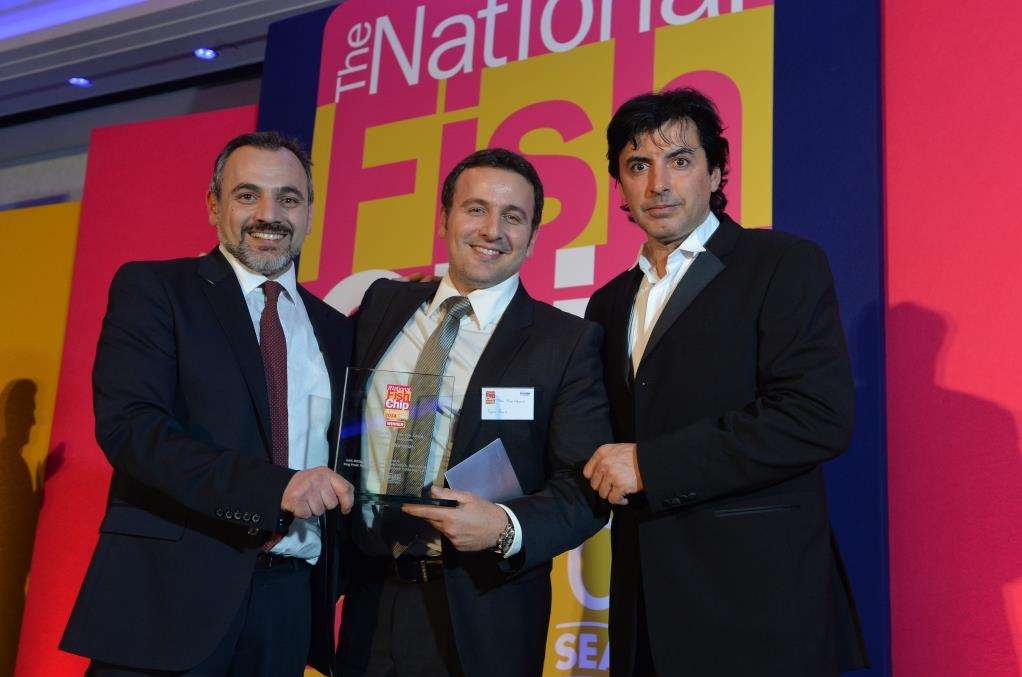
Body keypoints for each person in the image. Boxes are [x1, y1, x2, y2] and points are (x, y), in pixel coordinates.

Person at [582, 88, 870, 676]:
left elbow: (815, 417)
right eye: (639, 165)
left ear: (715, 173)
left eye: (680, 160)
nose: (658, 183)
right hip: (644, 612)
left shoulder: (781, 263)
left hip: (758, 606)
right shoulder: (607, 303)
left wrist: (652, 466)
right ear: (620, 186)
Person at [60, 131, 355, 676]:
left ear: (310, 212)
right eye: (248, 196)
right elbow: (132, 429)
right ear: (214, 205)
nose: (270, 215)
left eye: (288, 198)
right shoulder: (155, 290)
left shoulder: (336, 332)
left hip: (287, 602)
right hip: (168, 595)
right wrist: (275, 488)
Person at [334, 148, 611, 677]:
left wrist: (507, 526)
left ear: (533, 236)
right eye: (476, 208)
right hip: (368, 600)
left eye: (514, 217)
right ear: (445, 219)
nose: (492, 230)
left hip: (482, 612)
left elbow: (584, 489)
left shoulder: (565, 342)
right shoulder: (382, 306)